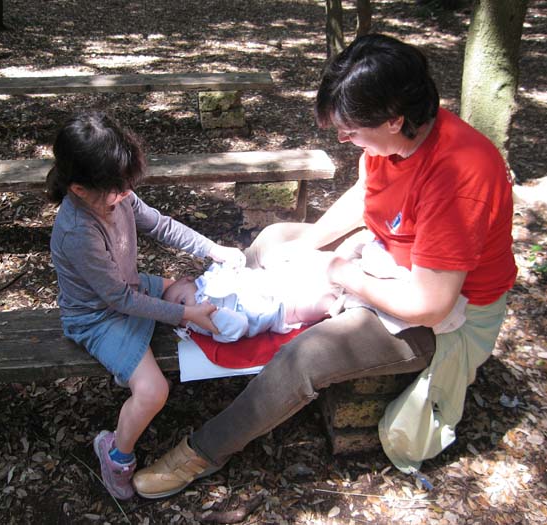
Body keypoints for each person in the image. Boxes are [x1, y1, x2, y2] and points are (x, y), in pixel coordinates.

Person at [132, 33, 517, 499]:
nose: (342, 138)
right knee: (277, 239)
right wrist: (310, 245)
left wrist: (340, 272)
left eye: (351, 130)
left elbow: (430, 305)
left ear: (395, 119)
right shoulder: (395, 141)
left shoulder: (460, 174)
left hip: (443, 313)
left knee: (308, 356)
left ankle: (202, 452)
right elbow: (367, 195)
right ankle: (252, 313)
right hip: (384, 259)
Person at [46, 111, 245, 500]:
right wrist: (186, 315)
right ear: (79, 189)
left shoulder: (115, 190)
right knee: (154, 390)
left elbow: (160, 225)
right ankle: (116, 453)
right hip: (97, 317)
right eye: (117, 191)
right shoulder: (77, 231)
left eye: (126, 187)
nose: (125, 196)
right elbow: (118, 299)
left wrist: (212, 250)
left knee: (189, 288)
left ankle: (167, 330)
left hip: (128, 288)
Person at [162, 253, 341, 343]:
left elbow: (228, 266)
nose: (189, 313)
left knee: (306, 269)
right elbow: (238, 328)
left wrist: (230, 263)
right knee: (312, 307)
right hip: (278, 311)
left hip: (272, 281)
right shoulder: (205, 325)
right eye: (183, 319)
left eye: (183, 302)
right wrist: (216, 315)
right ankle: (342, 301)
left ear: (188, 281)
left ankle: (342, 267)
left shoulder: (210, 277)